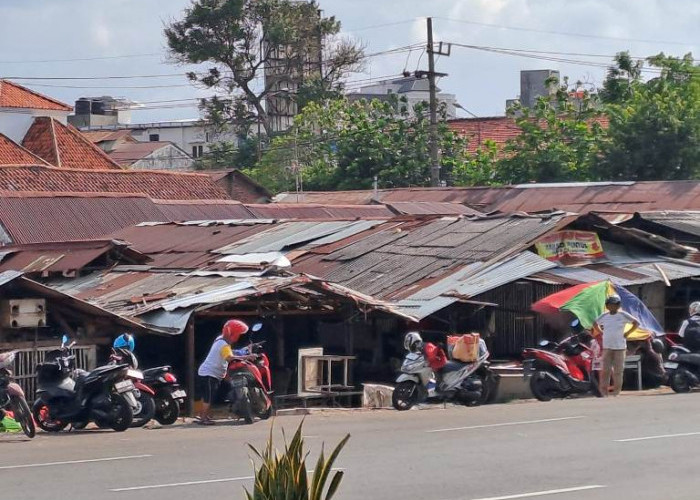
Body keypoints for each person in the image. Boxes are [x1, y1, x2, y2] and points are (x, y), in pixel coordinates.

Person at [196, 319, 249, 424]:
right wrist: (247, 357)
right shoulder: (223, 345)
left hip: (209, 373)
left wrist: (244, 351)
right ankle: (203, 418)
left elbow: (230, 352)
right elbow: (229, 357)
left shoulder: (220, 339)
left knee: (209, 395)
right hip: (209, 374)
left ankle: (204, 415)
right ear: (233, 334)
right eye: (238, 334)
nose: (239, 337)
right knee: (208, 397)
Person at [593, 294, 640, 397]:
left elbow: (636, 323)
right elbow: (595, 323)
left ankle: (616, 393)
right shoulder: (605, 316)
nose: (612, 307)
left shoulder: (622, 315)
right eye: (609, 304)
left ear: (618, 305)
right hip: (607, 347)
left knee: (618, 371)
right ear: (607, 306)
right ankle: (604, 392)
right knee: (605, 371)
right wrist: (601, 332)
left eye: (614, 304)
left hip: (620, 347)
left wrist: (628, 333)